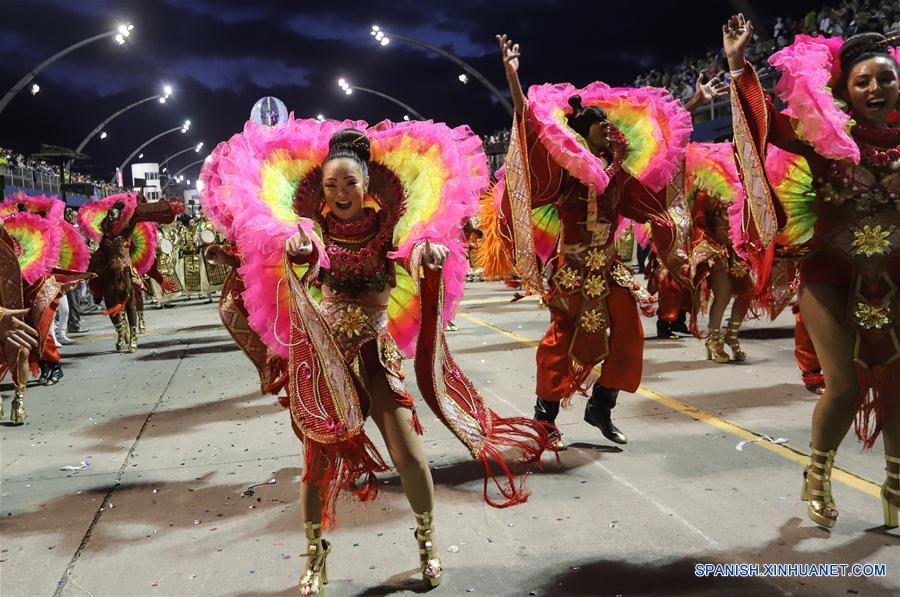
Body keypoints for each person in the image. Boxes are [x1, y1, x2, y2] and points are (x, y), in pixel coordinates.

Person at [201, 119, 549, 595]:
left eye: (349, 183)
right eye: (332, 185)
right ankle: (314, 558)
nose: (341, 192)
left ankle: (428, 545)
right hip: (327, 355)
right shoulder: (313, 227)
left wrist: (424, 253)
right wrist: (301, 251)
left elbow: (409, 249)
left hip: (374, 350)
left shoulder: (389, 226)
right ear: (321, 190)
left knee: (407, 452)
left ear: (366, 185)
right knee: (317, 465)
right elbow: (306, 250)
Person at [725, 14, 900, 528]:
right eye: (863, 80)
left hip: (895, 278)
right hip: (830, 277)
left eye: (885, 78)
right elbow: (767, 127)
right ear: (845, 89)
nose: (875, 88)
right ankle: (817, 474)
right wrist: (738, 67)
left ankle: (895, 484)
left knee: (897, 384)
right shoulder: (825, 134)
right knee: (843, 385)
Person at [496, 34, 692, 450]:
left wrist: (673, 244)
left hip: (610, 269)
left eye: (608, 123)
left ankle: (601, 405)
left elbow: (653, 207)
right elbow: (529, 125)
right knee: (559, 340)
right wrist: (514, 77)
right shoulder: (566, 173)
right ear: (584, 134)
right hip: (572, 270)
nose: (609, 128)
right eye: (600, 124)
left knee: (630, 334)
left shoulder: (618, 176)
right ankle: (544, 421)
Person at [82, 194, 177, 352]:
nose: (110, 217)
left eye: (113, 214)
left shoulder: (126, 232)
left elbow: (134, 216)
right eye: (109, 215)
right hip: (109, 275)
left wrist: (137, 204)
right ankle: (120, 332)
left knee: (131, 304)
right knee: (111, 306)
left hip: (126, 273)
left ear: (120, 217)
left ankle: (133, 337)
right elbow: (100, 256)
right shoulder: (104, 237)